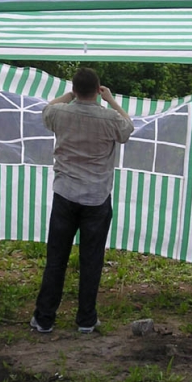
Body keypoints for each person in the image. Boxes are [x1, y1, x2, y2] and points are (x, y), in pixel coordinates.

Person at [30, 67, 135, 334]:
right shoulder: (109, 117)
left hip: (65, 194)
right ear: (98, 89)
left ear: (75, 89)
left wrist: (68, 95)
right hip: (97, 198)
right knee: (91, 260)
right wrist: (111, 100)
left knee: (56, 258)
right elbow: (128, 128)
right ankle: (86, 319)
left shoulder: (60, 113)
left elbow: (46, 109)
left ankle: (44, 318)